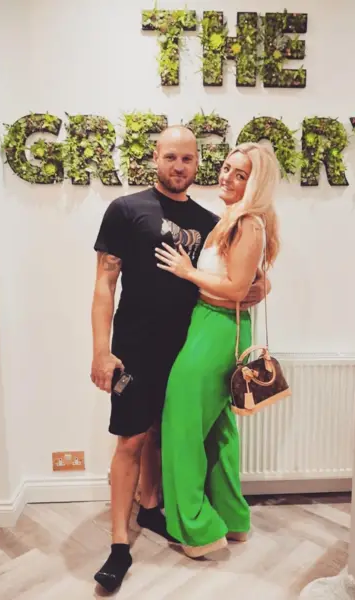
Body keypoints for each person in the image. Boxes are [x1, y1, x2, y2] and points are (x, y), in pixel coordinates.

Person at [90, 127, 269, 593]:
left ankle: (152, 508)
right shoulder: (126, 210)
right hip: (134, 347)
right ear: (156, 158)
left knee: (167, 434)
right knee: (130, 440)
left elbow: (241, 273)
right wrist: (101, 349)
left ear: (196, 163)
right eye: (171, 157)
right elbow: (104, 285)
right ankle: (117, 544)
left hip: (190, 345)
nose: (179, 166)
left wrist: (261, 286)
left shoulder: (214, 219)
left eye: (188, 159)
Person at [154, 141, 281, 558]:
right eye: (227, 168)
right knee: (218, 431)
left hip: (215, 331)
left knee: (182, 425)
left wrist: (188, 272)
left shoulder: (248, 223)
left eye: (240, 174)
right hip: (211, 326)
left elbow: (236, 289)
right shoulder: (233, 220)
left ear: (255, 183)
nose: (227, 177)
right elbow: (249, 286)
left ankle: (198, 528)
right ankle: (232, 519)